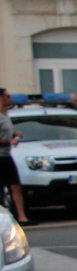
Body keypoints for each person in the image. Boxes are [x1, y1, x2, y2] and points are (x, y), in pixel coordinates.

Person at [0, 87, 34, 226]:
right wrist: (9, 141)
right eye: (7, 96)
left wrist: (14, 135)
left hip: (6, 155)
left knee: (15, 186)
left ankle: (22, 217)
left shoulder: (6, 114)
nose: (10, 98)